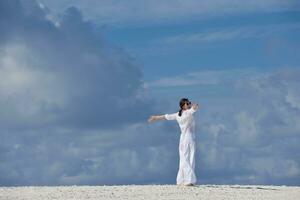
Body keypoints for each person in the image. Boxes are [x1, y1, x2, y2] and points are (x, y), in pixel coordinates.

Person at [148, 98, 199, 186]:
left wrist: (155, 117)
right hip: (189, 138)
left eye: (189, 103)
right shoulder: (187, 112)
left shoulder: (177, 115)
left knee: (184, 158)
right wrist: (194, 106)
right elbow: (194, 109)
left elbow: (166, 117)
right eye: (187, 103)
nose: (189, 104)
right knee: (189, 158)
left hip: (183, 139)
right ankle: (188, 180)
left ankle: (182, 180)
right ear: (183, 106)